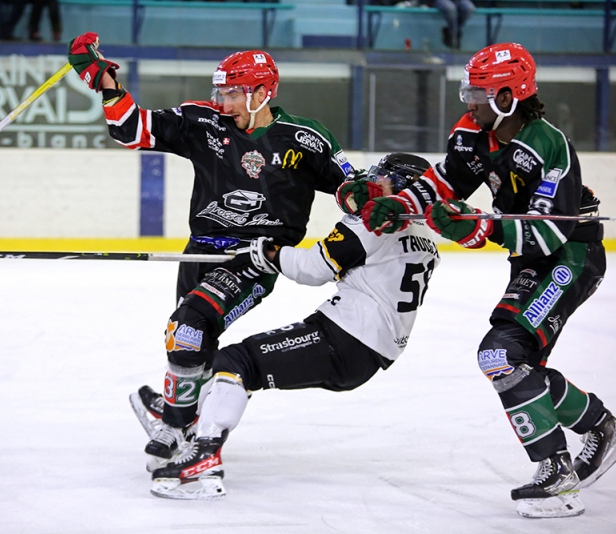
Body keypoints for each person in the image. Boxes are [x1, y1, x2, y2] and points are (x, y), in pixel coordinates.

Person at [357, 43, 616, 518]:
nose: (469, 101)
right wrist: (401, 203)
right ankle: (602, 427)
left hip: (571, 256)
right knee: (516, 364)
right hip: (532, 260)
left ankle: (558, 476)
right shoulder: (471, 132)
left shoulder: (549, 146)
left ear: (509, 94)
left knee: (500, 355)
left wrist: (482, 226)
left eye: (479, 92)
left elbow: (550, 232)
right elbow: (444, 184)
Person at [66, 34, 355, 469]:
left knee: (188, 325)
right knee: (189, 338)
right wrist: (105, 81)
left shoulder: (305, 139)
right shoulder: (203, 122)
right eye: (220, 91)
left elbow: (353, 188)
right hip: (198, 252)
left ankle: (176, 424)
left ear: (264, 92)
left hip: (254, 259)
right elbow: (131, 129)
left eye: (233, 93)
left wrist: (375, 200)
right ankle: (186, 417)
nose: (222, 101)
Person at [140, 153, 440, 499]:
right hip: (367, 349)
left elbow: (315, 268)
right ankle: (189, 414)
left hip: (344, 340)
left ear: (403, 185)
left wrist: (267, 252)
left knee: (236, 363)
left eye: (382, 177)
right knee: (244, 366)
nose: (373, 182)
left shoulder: (375, 223)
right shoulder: (424, 235)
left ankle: (204, 455)